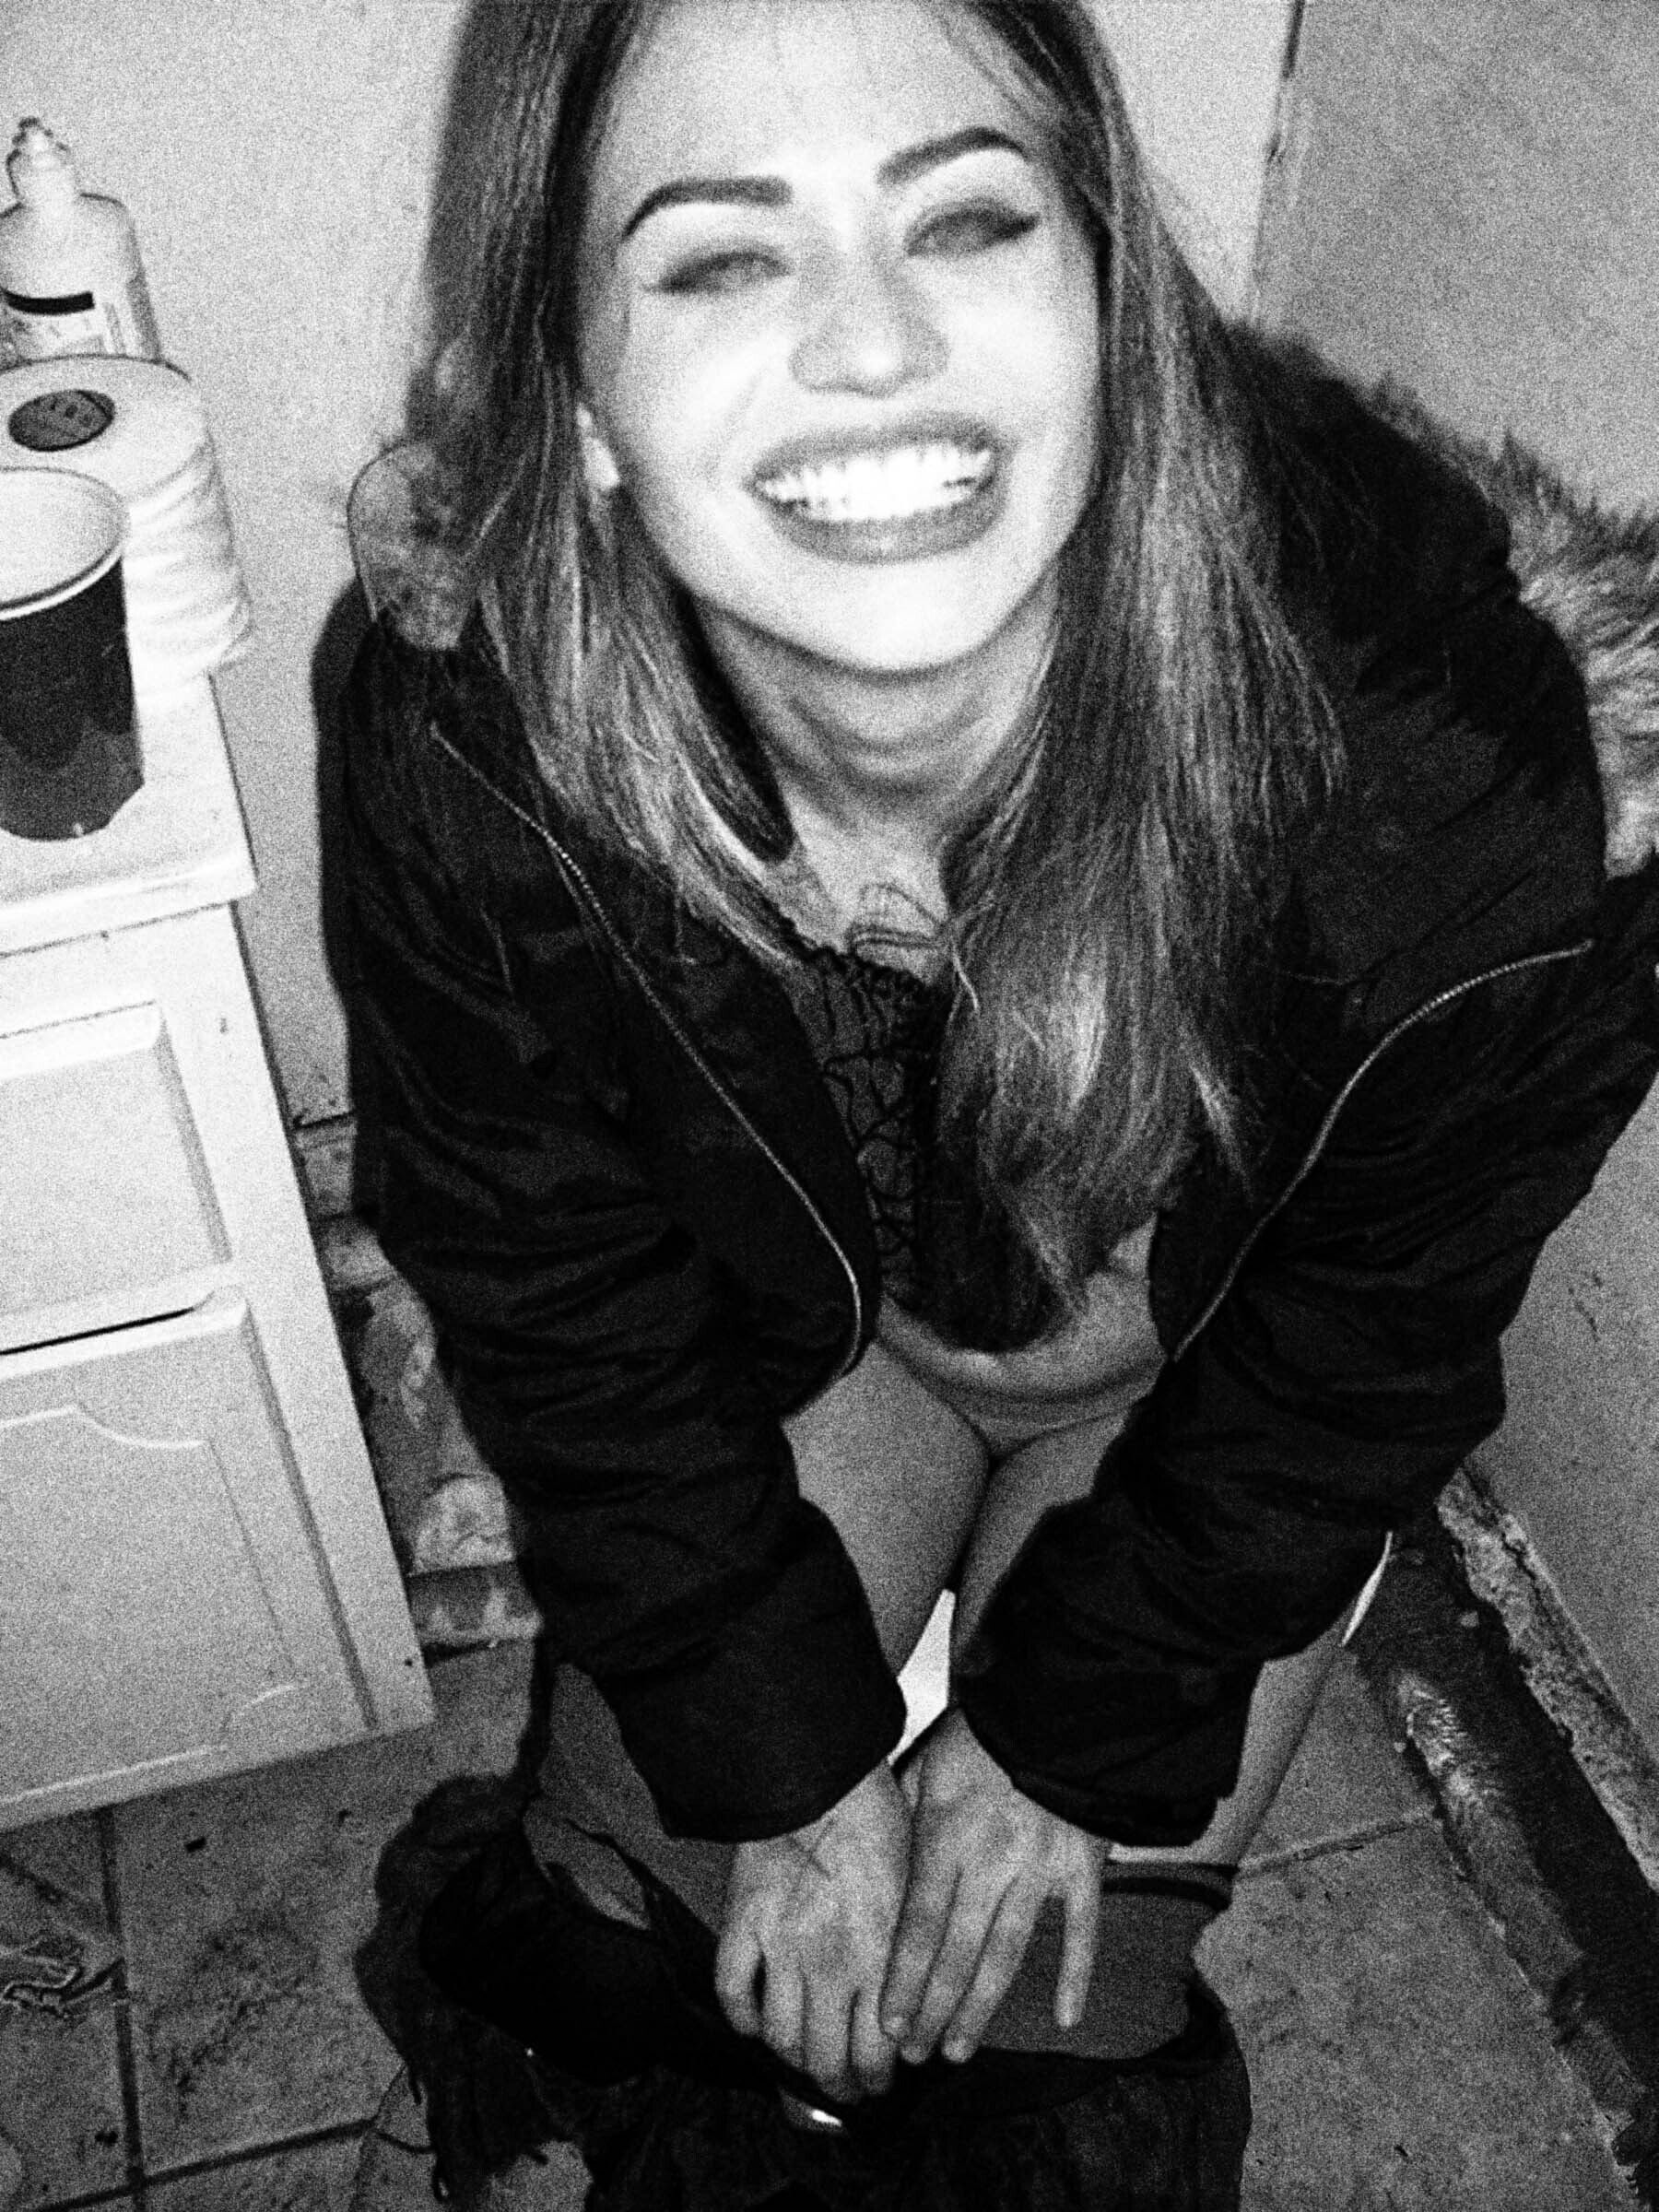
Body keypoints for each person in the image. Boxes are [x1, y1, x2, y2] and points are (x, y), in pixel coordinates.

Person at [339, 0, 1659, 2203]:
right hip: (834, 1343)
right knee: (629, 1920)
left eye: (965, 219)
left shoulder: (1463, 810)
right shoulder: (481, 750)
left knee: (1046, 2048)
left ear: (1115, 306)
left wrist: (1059, 1746)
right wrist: (787, 1776)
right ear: (577, 403)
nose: (873, 343)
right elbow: (556, 1288)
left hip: (1199, 1387)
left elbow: (1359, 1351)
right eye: (718, 256)